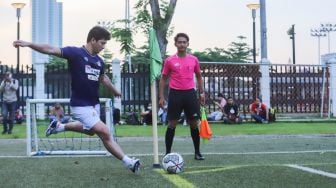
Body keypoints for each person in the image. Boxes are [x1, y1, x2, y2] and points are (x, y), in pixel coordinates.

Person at [13, 26, 140, 173]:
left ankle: (59, 127)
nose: (104, 47)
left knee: (91, 131)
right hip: (80, 105)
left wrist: (114, 90)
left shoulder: (99, 61)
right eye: (102, 43)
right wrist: (29, 44)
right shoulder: (75, 53)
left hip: (94, 105)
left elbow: (103, 78)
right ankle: (129, 162)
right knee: (105, 132)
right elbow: (50, 49)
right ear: (93, 40)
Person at [159, 33, 206, 160]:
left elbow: (199, 76)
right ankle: (167, 153)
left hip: (190, 93)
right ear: (175, 44)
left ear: (188, 44)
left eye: (184, 42)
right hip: (175, 94)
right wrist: (161, 97)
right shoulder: (169, 61)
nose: (182, 44)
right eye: (179, 42)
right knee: (172, 123)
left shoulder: (194, 59)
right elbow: (163, 79)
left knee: (194, 123)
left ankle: (197, 152)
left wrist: (201, 92)